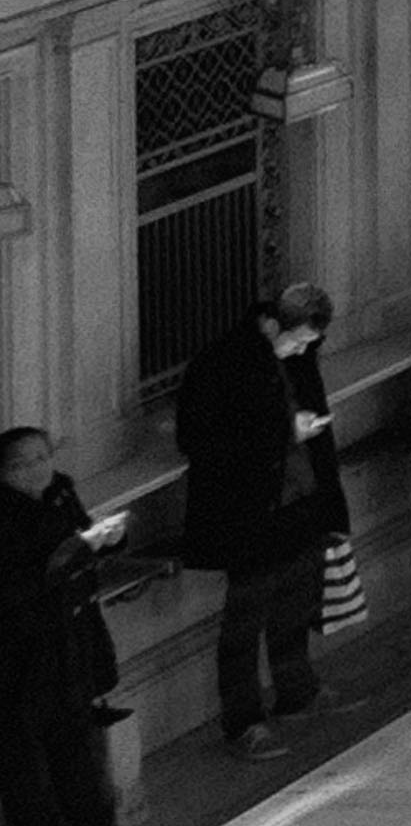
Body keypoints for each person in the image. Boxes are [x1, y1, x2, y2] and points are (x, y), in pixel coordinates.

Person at [169, 275, 337, 749]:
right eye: (299, 341)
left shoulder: (288, 361)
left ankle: (296, 692)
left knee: (295, 606)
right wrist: (287, 432)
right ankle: (243, 721)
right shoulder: (223, 365)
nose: (304, 352)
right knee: (245, 622)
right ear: (271, 325)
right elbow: (201, 440)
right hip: (248, 514)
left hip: (295, 506)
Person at [0, 426, 161, 826]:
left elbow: (79, 550)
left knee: (77, 745)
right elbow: (24, 581)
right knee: (25, 760)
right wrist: (81, 547)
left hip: (68, 640)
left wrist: (106, 540)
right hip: (19, 652)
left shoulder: (59, 493)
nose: (36, 469)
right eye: (21, 463)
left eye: (41, 457)